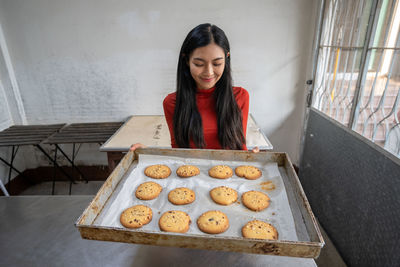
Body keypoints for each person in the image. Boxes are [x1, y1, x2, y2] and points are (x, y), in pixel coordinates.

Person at [131, 23, 258, 152]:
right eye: (199, 64)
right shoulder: (172, 103)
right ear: (186, 60)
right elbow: (179, 152)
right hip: (192, 171)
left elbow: (240, 148)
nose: (209, 72)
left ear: (227, 59)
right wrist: (149, 153)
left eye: (217, 63)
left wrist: (250, 158)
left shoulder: (240, 96)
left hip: (230, 172)